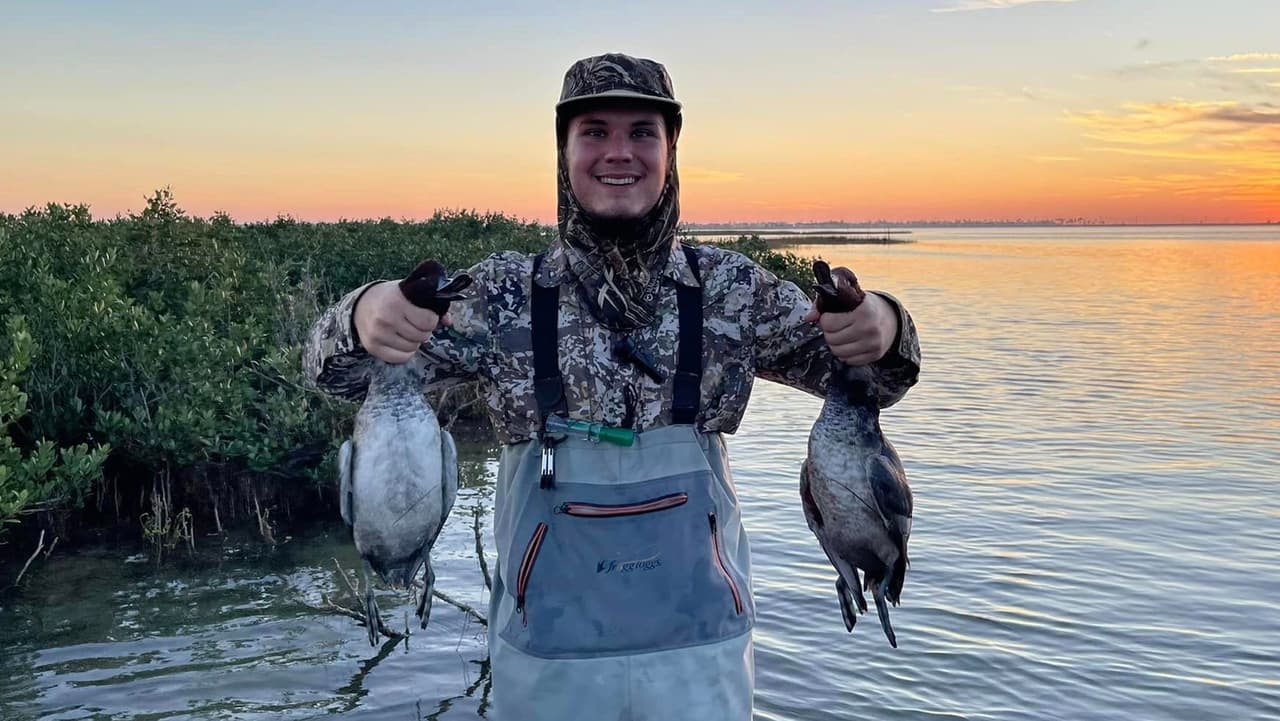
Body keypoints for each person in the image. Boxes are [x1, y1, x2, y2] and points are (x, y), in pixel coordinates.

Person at [304, 52, 920, 721]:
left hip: (701, 659)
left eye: (642, 132)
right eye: (594, 131)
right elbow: (337, 375)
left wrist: (884, 323)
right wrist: (364, 312)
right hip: (547, 661)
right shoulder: (502, 295)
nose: (618, 152)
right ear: (564, 151)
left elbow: (873, 381)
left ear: (670, 150)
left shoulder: (732, 290)